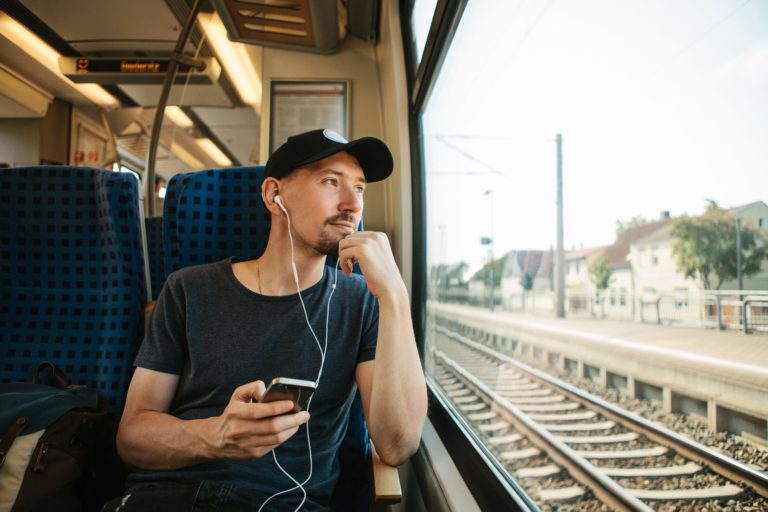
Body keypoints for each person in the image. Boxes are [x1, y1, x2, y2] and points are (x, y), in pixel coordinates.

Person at [103, 129, 427, 511]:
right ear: (275, 195)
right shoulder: (188, 289)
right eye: (331, 181)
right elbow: (132, 436)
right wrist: (216, 435)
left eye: (359, 188)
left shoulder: (361, 302)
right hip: (167, 497)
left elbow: (397, 445)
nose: (352, 204)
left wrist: (395, 296)